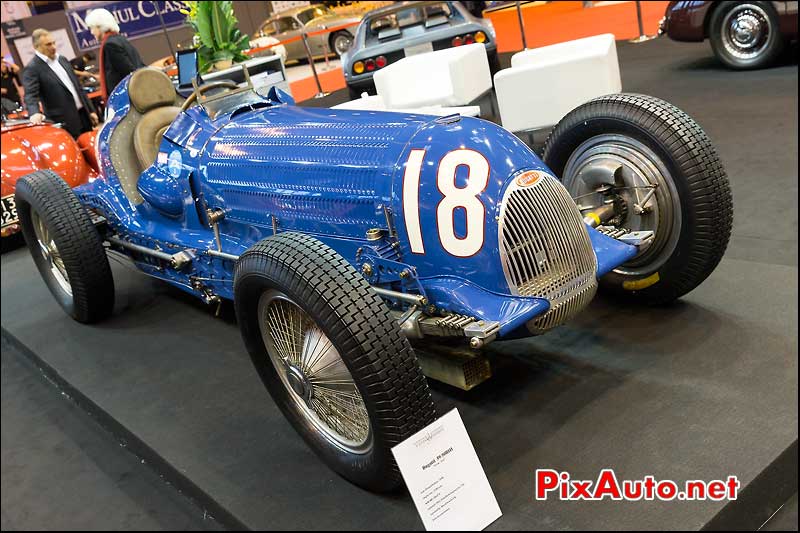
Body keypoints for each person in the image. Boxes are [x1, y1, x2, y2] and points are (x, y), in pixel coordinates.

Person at [22, 29, 98, 138]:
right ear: (36, 47)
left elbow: (78, 87)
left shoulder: (62, 60)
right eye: (48, 44)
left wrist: (90, 110)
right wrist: (34, 113)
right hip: (63, 123)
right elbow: (30, 95)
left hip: (84, 116)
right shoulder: (32, 69)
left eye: (53, 43)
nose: (53, 47)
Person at [85, 8, 145, 99]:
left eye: (92, 28)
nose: (92, 32)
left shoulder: (110, 45)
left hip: (126, 98)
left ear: (100, 26)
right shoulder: (119, 39)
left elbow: (128, 72)